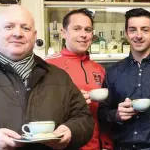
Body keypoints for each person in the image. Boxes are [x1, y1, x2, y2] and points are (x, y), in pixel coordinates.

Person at [0, 5, 94, 150]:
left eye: (25, 28)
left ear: (34, 36)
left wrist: (71, 131)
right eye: (9, 27)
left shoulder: (60, 77)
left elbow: (84, 119)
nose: (18, 33)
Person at [97, 8, 150, 150]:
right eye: (132, 30)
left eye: (145, 30)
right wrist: (116, 115)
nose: (138, 35)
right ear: (126, 34)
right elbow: (102, 112)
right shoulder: (114, 71)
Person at [45, 8, 113, 150]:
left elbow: (103, 113)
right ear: (64, 33)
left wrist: (106, 144)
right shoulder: (47, 66)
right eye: (77, 29)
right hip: (61, 145)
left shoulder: (99, 69)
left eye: (87, 30)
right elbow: (36, 111)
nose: (83, 35)